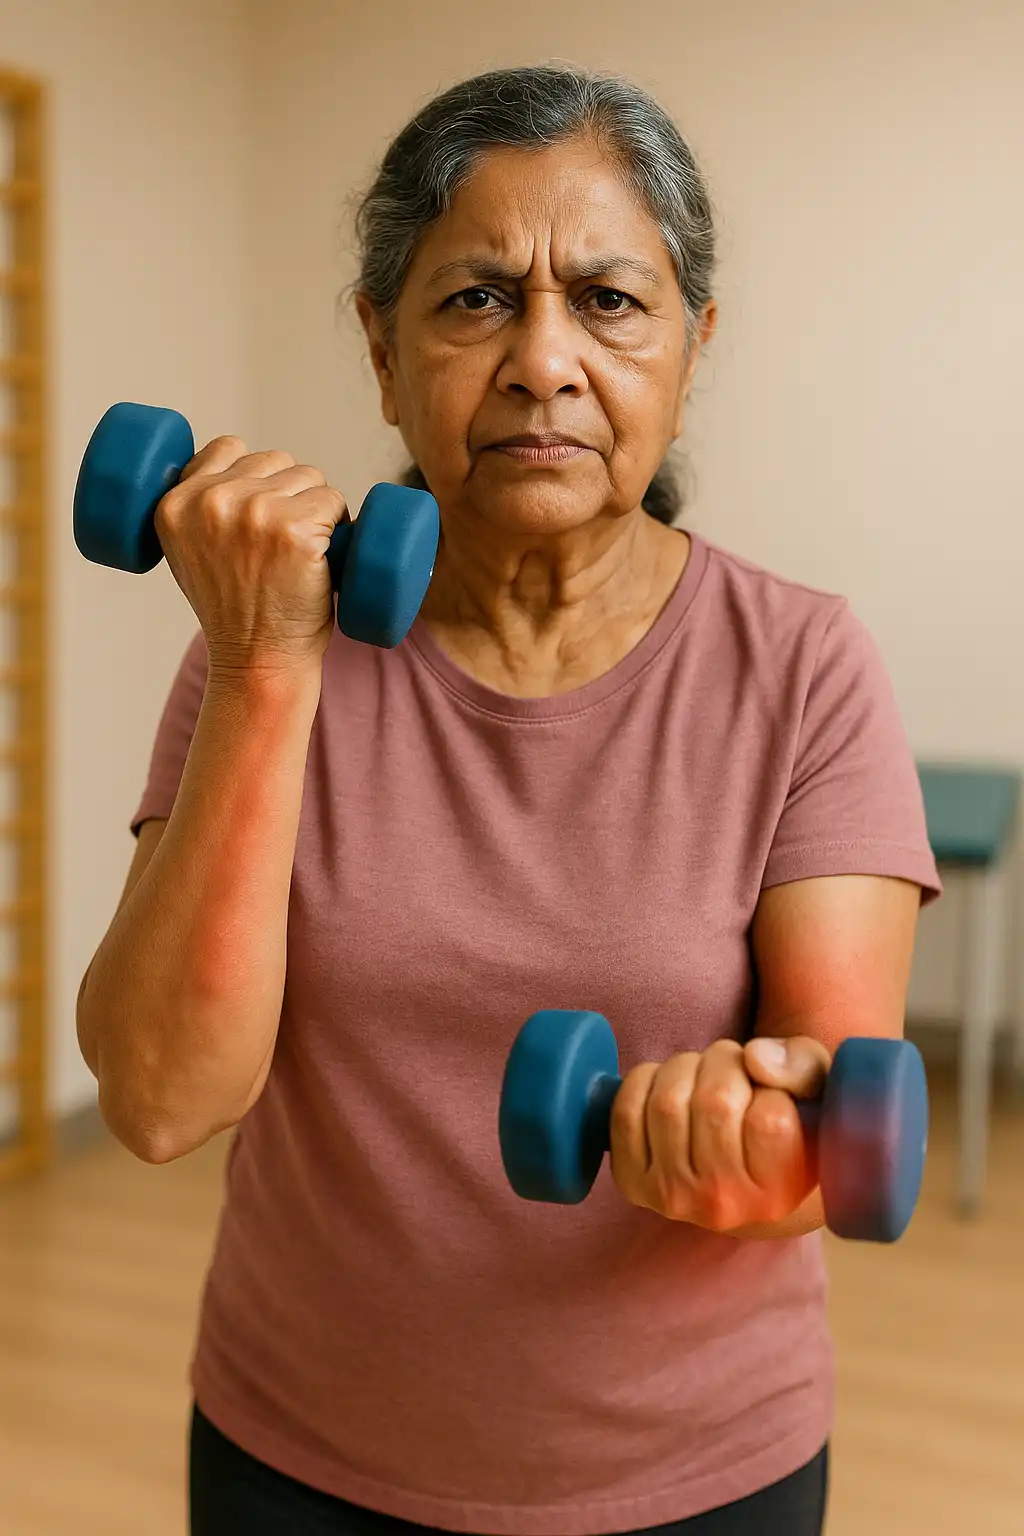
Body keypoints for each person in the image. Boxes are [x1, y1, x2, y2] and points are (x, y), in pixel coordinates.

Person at [77, 64, 941, 1536]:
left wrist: (738, 1150)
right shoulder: (260, 636)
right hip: (301, 1456)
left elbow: (840, 1137)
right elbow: (161, 1100)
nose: (545, 360)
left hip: (694, 1476)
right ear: (380, 343)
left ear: (692, 344)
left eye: (608, 301)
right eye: (477, 299)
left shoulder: (803, 665)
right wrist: (267, 664)